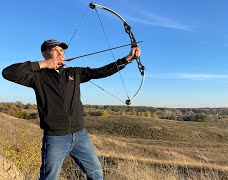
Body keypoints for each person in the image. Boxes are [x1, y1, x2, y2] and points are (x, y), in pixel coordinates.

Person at [2, 39, 141, 180]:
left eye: (61, 50)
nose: (60, 52)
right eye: (55, 50)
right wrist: (43, 64)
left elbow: (101, 72)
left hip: (80, 135)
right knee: (49, 178)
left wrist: (128, 58)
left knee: (97, 175)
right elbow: (7, 73)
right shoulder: (37, 76)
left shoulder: (74, 73)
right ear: (44, 54)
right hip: (55, 138)